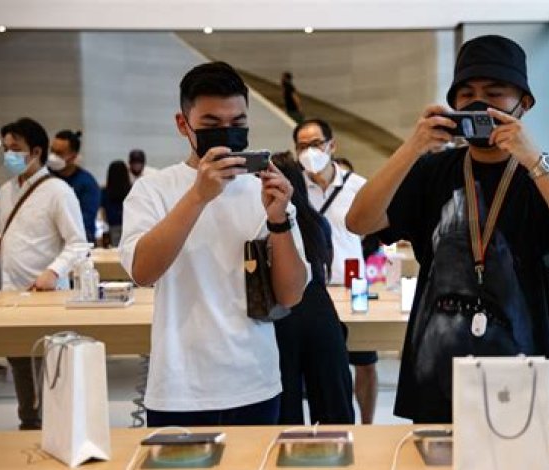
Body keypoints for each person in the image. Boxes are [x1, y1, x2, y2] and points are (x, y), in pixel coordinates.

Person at [346, 35, 549, 424]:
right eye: (466, 93)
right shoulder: (431, 172)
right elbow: (359, 221)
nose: (478, 103)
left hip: (528, 376)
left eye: (494, 92)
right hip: (437, 374)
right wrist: (412, 147)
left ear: (524, 103)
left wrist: (534, 160)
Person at [119, 61, 309, 427]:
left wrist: (279, 220)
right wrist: (198, 196)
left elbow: (290, 295)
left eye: (238, 123)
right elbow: (143, 272)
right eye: (211, 124)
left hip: (256, 380)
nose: (226, 132)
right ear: (183, 124)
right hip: (179, 386)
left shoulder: (265, 189)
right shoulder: (154, 189)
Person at [0, 117, 86, 429]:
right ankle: (29, 423)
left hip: (45, 294)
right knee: (20, 362)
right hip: (10, 294)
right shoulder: (6, 191)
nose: (9, 155)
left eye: (15, 148)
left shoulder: (59, 191)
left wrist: (53, 272)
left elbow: (78, 243)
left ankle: (53, 427)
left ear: (35, 151)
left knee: (50, 366)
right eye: (6, 149)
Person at [293, 118, 378, 424]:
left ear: (332, 145)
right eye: (302, 146)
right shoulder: (294, 188)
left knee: (365, 361)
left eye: (316, 144)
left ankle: (367, 426)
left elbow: (373, 233)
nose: (309, 151)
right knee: (319, 368)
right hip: (311, 291)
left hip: (352, 287)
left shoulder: (358, 186)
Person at [270, 151, 354, 425]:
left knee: (285, 408)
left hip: (279, 315)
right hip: (320, 314)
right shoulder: (317, 222)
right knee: (333, 406)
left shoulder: (268, 223)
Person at [48, 130, 101, 243]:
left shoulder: (87, 183)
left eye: (59, 153)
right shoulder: (45, 177)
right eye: (52, 151)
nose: (53, 156)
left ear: (73, 157)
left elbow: (85, 220)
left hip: (78, 241)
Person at [100, 160, 132, 247]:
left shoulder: (105, 192)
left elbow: (103, 213)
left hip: (112, 226)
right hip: (129, 226)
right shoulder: (132, 190)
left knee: (115, 250)